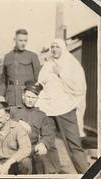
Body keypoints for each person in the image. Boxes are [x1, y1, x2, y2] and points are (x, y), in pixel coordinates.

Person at [35, 39, 89, 173]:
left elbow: (79, 87)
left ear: (63, 48)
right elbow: (41, 82)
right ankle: (54, 172)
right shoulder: (48, 64)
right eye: (52, 47)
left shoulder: (71, 64)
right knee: (49, 143)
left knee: (74, 144)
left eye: (57, 47)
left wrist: (60, 73)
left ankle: (85, 172)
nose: (54, 50)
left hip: (66, 108)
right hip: (48, 108)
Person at [10, 81, 56, 174]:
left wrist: (43, 143)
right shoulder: (13, 111)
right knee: (25, 163)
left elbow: (48, 134)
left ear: (37, 99)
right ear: (23, 96)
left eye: (33, 97)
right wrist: (17, 123)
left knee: (43, 161)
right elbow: (1, 122)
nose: (30, 100)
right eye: (28, 97)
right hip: (16, 149)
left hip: (33, 149)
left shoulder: (41, 115)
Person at [0, 29, 41, 107]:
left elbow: (39, 79)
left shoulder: (32, 56)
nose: (23, 43)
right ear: (15, 40)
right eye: (20, 40)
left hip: (26, 97)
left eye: (25, 41)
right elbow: (3, 80)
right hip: (10, 96)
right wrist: (1, 95)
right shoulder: (8, 57)